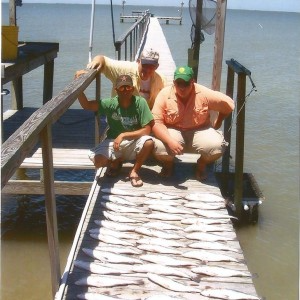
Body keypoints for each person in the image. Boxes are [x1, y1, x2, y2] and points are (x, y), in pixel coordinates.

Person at [151, 66, 235, 181]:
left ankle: (201, 164)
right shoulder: (164, 94)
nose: (182, 87)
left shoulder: (203, 93)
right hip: (173, 130)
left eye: (186, 83)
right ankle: (168, 164)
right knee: (159, 148)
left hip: (200, 130)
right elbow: (156, 123)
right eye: (178, 83)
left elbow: (229, 105)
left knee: (218, 148)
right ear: (174, 82)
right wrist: (169, 141)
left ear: (192, 82)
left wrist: (217, 122)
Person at [75, 73, 154, 187]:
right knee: (98, 162)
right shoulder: (110, 103)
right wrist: (79, 85)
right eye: (122, 87)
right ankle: (115, 161)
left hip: (133, 141)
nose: (125, 90)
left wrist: (124, 135)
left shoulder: (140, 102)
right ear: (116, 90)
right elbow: (87, 105)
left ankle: (134, 170)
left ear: (132, 89)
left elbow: (147, 130)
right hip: (112, 142)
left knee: (149, 142)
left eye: (128, 87)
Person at [86, 48, 166, 110]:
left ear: (157, 67)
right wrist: (97, 61)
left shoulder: (161, 80)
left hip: (145, 118)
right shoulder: (124, 69)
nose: (148, 70)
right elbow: (103, 59)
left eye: (152, 66)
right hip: (121, 116)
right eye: (145, 65)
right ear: (138, 61)